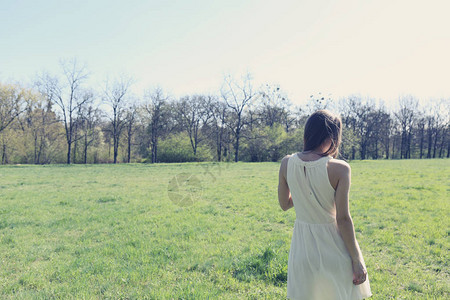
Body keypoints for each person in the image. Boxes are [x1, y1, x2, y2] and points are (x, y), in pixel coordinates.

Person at [278, 109, 372, 299]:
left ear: (308, 133)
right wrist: (357, 260)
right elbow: (343, 219)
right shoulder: (339, 168)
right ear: (333, 136)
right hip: (333, 245)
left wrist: (305, 188)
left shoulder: (287, 163)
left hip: (302, 248)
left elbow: (285, 204)